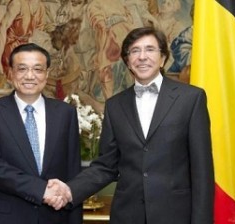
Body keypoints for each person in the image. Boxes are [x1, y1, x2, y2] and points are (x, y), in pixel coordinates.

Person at [46, 27, 214, 224]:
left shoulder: (191, 99)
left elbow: (202, 171)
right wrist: (69, 190)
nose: (142, 57)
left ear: (163, 59)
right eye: (135, 51)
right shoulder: (115, 105)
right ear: (127, 61)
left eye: (150, 49)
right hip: (127, 216)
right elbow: (106, 166)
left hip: (176, 216)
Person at [0, 43, 83, 224]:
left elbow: (73, 171)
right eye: (22, 69)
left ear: (46, 74)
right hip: (7, 217)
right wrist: (41, 190)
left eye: (38, 69)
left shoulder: (65, 113)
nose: (30, 76)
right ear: (10, 73)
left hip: (55, 216)